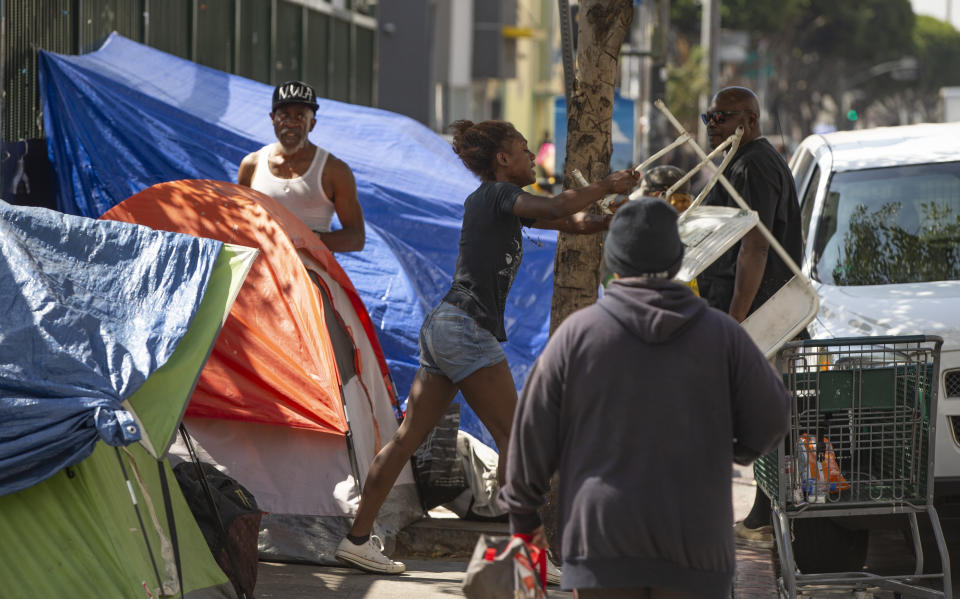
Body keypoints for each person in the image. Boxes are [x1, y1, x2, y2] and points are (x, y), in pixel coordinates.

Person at [333, 119, 640, 574]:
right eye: (523, 148)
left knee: (406, 440)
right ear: (502, 160)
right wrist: (607, 184)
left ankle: (357, 539)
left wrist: (605, 220)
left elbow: (565, 221)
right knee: (516, 441)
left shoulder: (495, 202)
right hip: (466, 330)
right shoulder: (498, 195)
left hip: (447, 327)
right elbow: (558, 202)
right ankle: (532, 559)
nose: (533, 155)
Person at [498, 197, 791, 598]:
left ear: (614, 261)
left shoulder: (577, 336)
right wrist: (736, 449)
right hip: (696, 545)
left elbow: (529, 439)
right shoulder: (722, 336)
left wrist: (524, 520)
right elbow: (773, 416)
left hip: (601, 545)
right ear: (677, 260)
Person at [695, 86, 804, 547]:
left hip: (758, 313)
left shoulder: (755, 163)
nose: (711, 125)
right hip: (745, 310)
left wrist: (735, 320)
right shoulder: (741, 161)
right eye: (709, 118)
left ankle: (756, 515)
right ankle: (758, 514)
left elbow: (755, 243)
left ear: (749, 120)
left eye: (720, 117)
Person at [237, 80, 365, 252]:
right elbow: (240, 225)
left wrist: (306, 240)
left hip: (310, 275)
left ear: (312, 124)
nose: (290, 123)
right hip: (264, 272)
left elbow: (356, 239)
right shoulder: (252, 165)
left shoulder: (333, 170)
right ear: (272, 119)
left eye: (300, 116)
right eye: (284, 115)